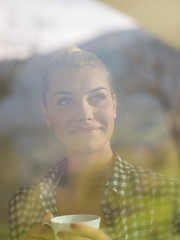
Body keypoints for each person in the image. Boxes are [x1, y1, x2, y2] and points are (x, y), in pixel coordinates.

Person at [8, 47, 180, 240]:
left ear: (114, 105)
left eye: (97, 96)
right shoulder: (24, 204)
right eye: (65, 101)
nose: (84, 113)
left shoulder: (171, 196)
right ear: (46, 113)